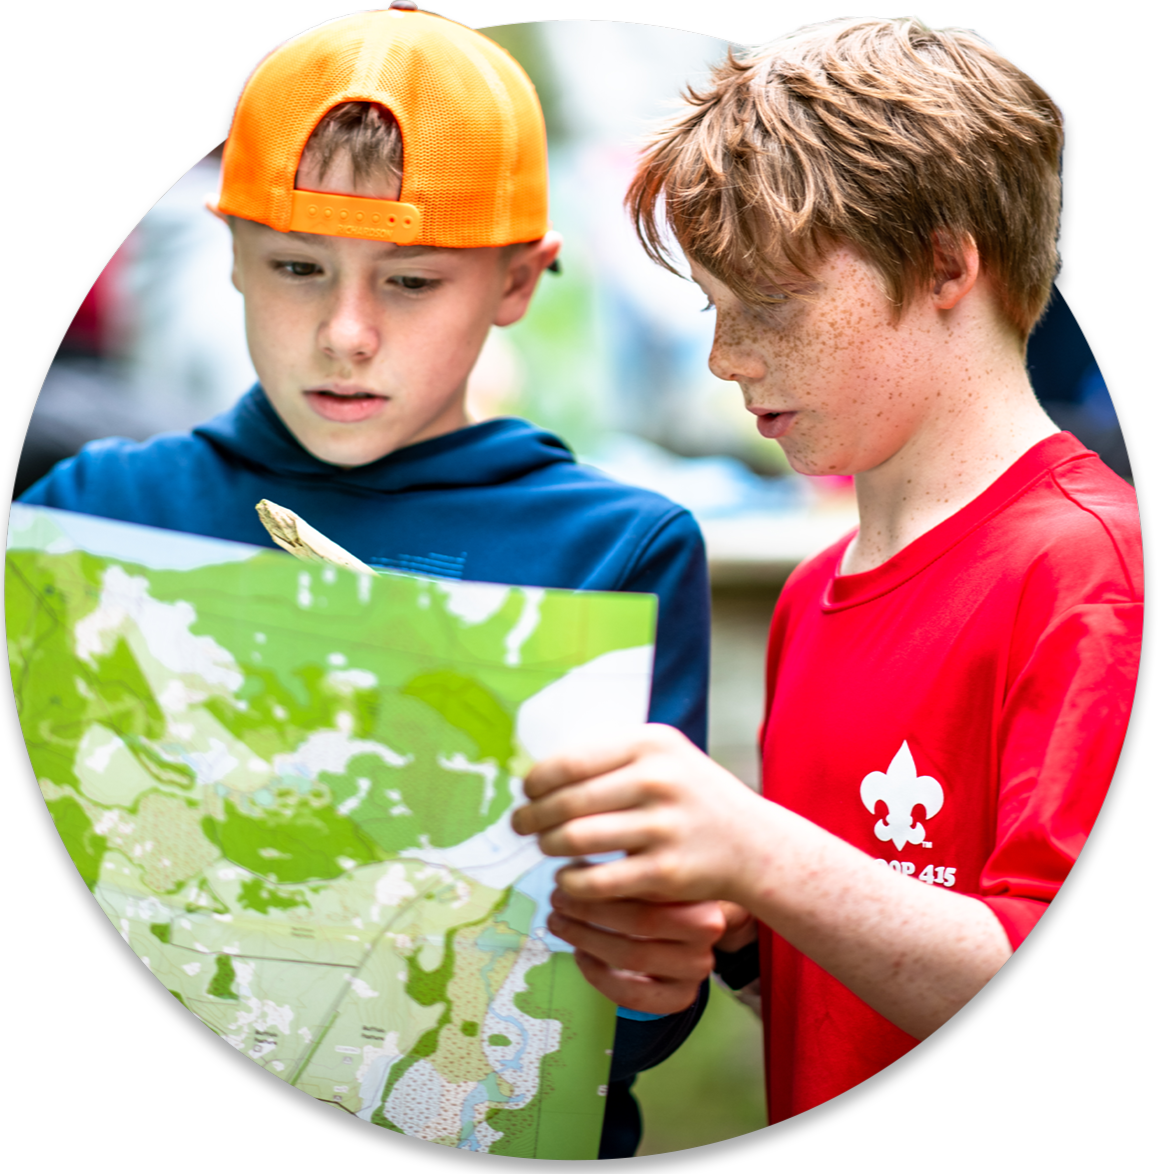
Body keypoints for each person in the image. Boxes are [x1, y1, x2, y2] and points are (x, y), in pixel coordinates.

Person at [17, 7, 721, 1157]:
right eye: (297, 267)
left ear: (517, 282)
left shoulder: (616, 549)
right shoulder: (93, 513)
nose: (345, 333)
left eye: (408, 282)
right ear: (228, 250)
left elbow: (627, 1021)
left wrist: (651, 976)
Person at [512, 16, 1142, 1128]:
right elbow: (858, 994)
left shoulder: (1089, 567)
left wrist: (760, 849)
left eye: (770, 303)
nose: (724, 356)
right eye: (714, 304)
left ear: (949, 262)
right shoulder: (813, 594)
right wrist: (743, 935)